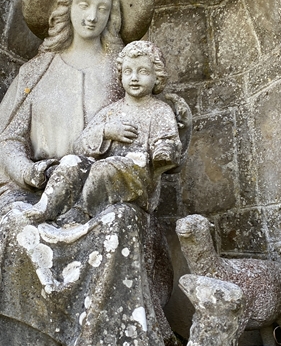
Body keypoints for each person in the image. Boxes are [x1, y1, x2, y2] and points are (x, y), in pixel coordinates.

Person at [0, 0, 190, 346]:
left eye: (103, 9)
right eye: (83, 5)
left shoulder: (124, 71)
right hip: (37, 187)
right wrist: (27, 171)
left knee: (120, 225)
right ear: (65, 9)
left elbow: (156, 124)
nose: (92, 16)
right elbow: (4, 142)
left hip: (100, 193)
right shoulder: (36, 71)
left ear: (114, 16)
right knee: (10, 222)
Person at [27, 41, 182, 222]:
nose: (134, 78)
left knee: (104, 168)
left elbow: (167, 144)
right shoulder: (111, 111)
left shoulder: (160, 110)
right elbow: (79, 146)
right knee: (71, 161)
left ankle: (80, 211)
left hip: (139, 178)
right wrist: (106, 132)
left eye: (143, 72)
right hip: (104, 168)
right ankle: (46, 206)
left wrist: (163, 151)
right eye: (128, 71)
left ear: (157, 77)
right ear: (120, 75)